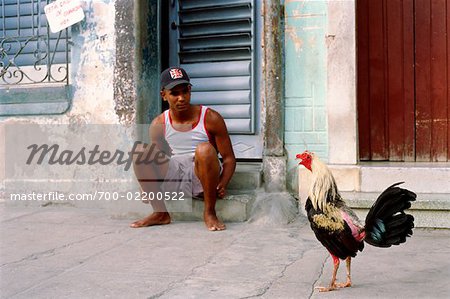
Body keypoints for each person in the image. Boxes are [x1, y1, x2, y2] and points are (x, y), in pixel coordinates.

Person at [130, 67, 236, 231]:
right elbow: (158, 157)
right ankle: (160, 213)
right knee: (140, 151)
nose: (181, 98)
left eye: (185, 91)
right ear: (163, 95)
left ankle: (209, 212)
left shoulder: (210, 117)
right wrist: (147, 187)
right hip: (176, 174)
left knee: (204, 149)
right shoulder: (159, 123)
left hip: (201, 175)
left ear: (190, 91)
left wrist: (222, 183)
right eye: (174, 93)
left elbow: (229, 159)